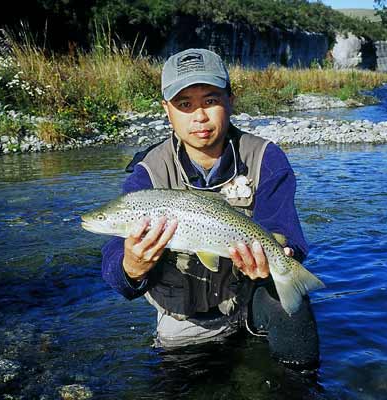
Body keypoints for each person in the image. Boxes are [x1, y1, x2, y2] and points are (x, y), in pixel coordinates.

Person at [101, 48, 319, 366]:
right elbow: (115, 270)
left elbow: (287, 232)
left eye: (210, 100)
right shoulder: (147, 172)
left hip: (250, 304)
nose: (199, 116)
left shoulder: (266, 158)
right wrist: (132, 266)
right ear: (167, 110)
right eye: (185, 105)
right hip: (183, 322)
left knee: (293, 306)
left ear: (231, 100)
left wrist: (280, 255)